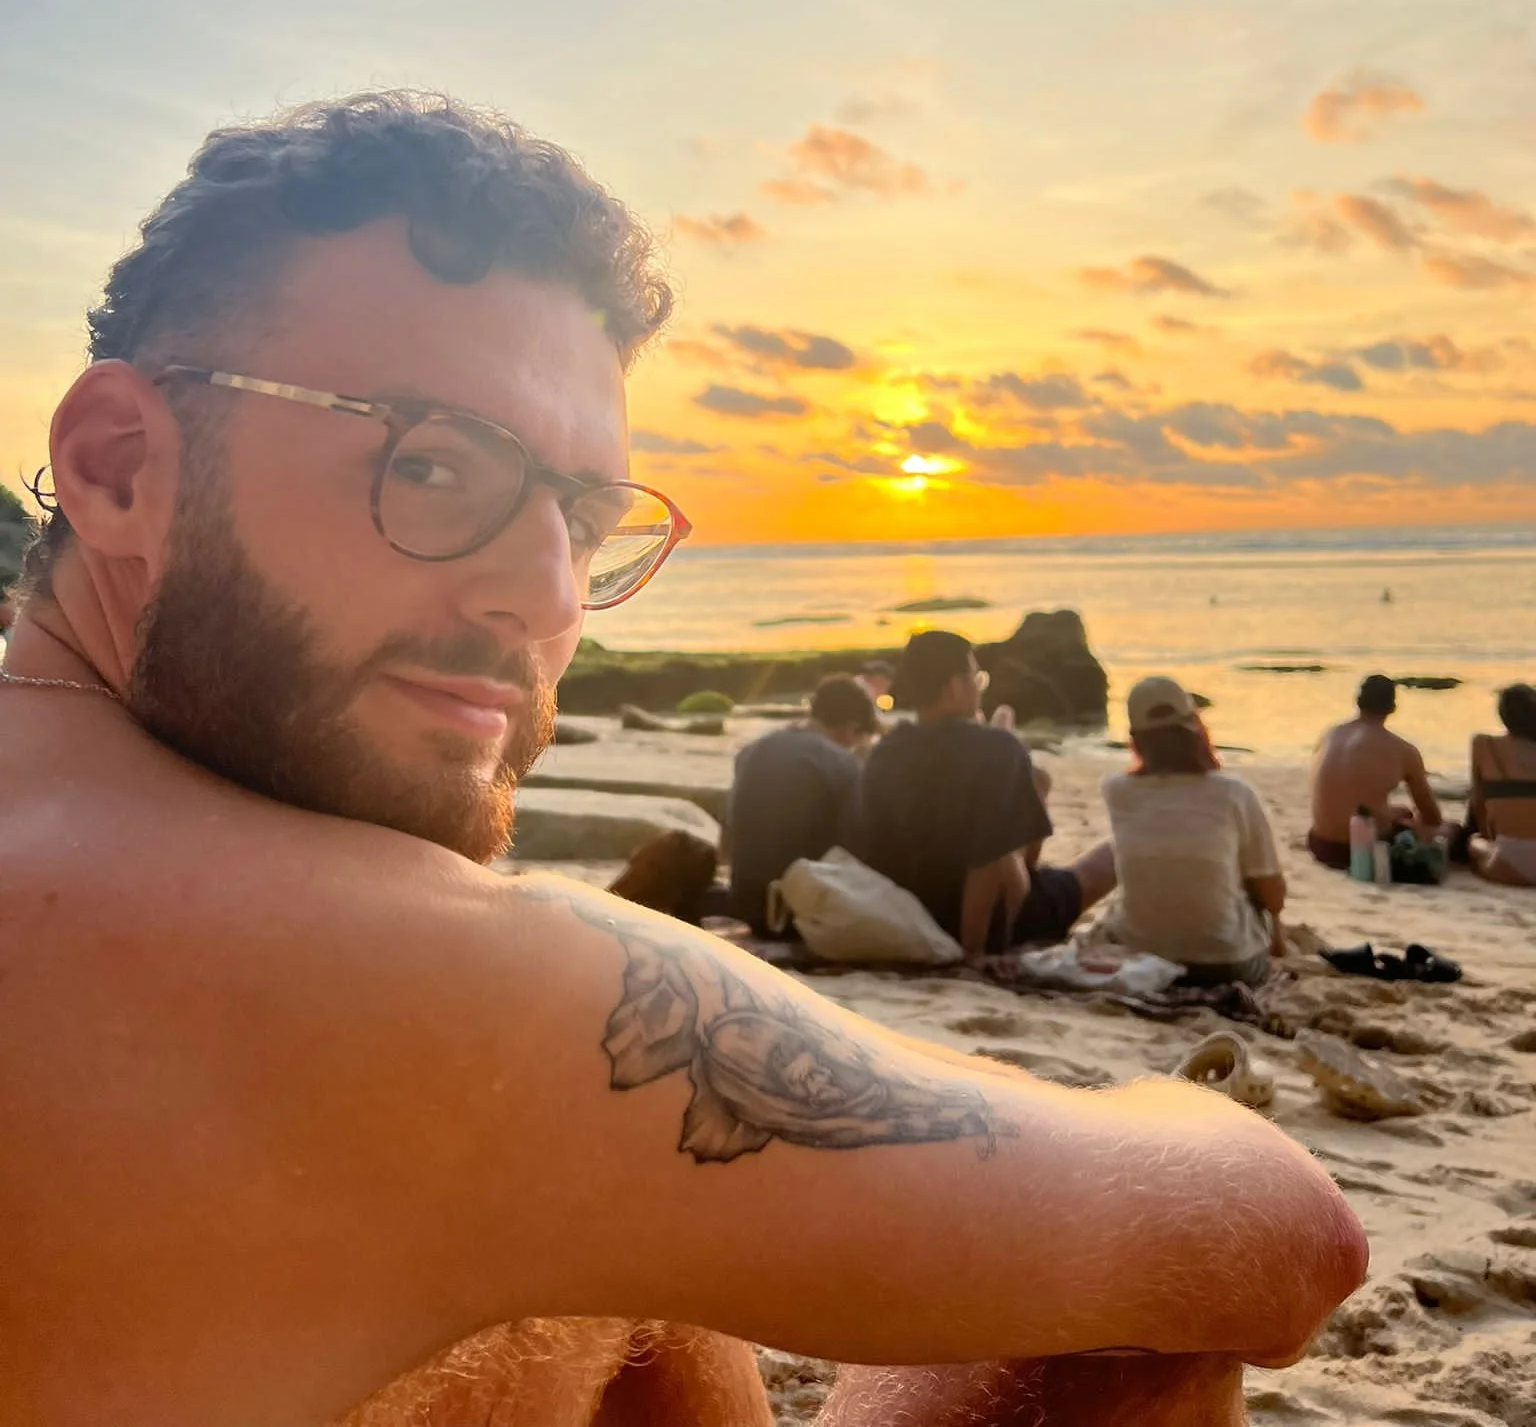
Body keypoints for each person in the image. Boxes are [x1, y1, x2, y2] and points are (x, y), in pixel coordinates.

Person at [0, 93, 1366, 1427]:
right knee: (1132, 1336)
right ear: (121, 467)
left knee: (614, 1275)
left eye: (584, 520)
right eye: (430, 467)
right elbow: (1290, 1239)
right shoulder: (361, 967)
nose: (543, 600)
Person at [860, 629, 1117, 958]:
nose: (979, 688)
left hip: (903, 913)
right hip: (975, 920)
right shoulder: (997, 749)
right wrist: (974, 951)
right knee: (1113, 854)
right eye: (976, 678)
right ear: (954, 686)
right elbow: (990, 861)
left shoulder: (887, 751)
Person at [1103, 678, 1286, 988]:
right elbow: (1272, 894)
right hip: (1222, 964)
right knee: (1257, 895)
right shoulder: (1233, 793)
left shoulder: (1117, 790)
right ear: (1195, 726)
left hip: (1140, 952)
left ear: (1134, 739)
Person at [723, 671, 878, 934]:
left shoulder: (752, 750)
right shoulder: (839, 762)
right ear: (851, 728)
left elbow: (726, 842)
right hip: (794, 910)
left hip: (743, 899)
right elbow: (854, 848)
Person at [1308, 673, 1443, 869]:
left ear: (1357, 701)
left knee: (1401, 812)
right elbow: (1432, 817)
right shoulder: (1404, 750)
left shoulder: (1330, 734)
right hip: (1361, 848)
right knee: (1446, 831)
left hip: (1320, 844)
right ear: (1392, 707)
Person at [1456, 683, 1536, 888]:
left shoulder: (1484, 745)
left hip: (1507, 863)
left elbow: (1478, 803)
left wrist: (1487, 835)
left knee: (1474, 841)